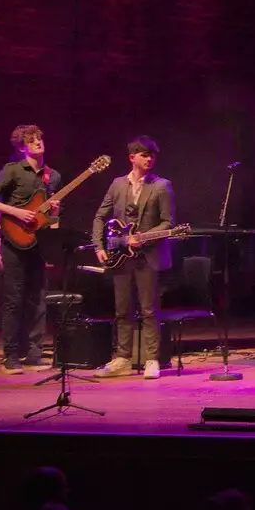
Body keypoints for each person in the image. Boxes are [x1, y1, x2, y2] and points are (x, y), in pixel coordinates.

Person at [92, 136, 176, 380]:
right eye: (144, 155)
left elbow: (168, 223)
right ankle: (122, 359)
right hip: (121, 257)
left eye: (152, 155)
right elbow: (100, 216)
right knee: (122, 309)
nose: (149, 159)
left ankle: (151, 359)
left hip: (148, 256)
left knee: (149, 310)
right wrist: (99, 245)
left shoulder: (162, 185)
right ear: (132, 158)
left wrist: (143, 237)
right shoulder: (118, 184)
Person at [0, 125, 61, 374]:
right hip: (13, 243)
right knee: (13, 300)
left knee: (38, 300)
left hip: (38, 244)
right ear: (22, 146)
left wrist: (55, 212)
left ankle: (35, 355)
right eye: (32, 140)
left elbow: (49, 217)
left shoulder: (53, 176)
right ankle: (11, 356)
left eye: (40, 138)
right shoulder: (12, 170)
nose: (38, 142)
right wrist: (16, 212)